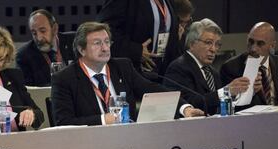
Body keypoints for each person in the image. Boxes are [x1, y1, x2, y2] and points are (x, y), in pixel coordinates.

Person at [51, 22, 204, 126]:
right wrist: (104, 119)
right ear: (81, 49)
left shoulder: (122, 67)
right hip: (89, 148)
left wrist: (185, 108)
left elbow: (153, 89)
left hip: (128, 144)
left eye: (107, 42)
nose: (105, 48)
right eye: (97, 43)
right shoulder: (64, 79)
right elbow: (64, 122)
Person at [164, 18, 262, 115]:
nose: (214, 49)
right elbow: (190, 103)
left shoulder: (212, 72)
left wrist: (247, 91)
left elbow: (219, 105)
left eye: (217, 44)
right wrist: (226, 91)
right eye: (208, 42)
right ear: (192, 43)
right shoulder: (178, 68)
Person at [97, 0, 181, 77]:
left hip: (163, 75)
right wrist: (136, 51)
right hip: (132, 74)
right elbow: (105, 30)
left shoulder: (168, 2)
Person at [220, 22, 277, 107]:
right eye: (251, 41)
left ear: (272, 46)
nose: (253, 48)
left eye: (260, 43)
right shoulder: (230, 68)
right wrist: (250, 92)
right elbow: (232, 108)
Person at [16, 9, 75, 86]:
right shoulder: (24, 55)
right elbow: (25, 89)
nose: (39, 38)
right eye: (34, 33)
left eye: (43, 31)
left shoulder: (74, 41)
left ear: (54, 29)